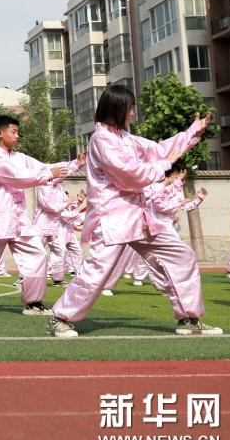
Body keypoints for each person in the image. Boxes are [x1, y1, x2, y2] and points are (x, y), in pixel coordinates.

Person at [47, 85, 220, 337]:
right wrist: (164, 164)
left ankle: (189, 319)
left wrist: (193, 131)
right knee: (97, 271)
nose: (132, 113)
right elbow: (130, 176)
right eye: (129, 108)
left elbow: (160, 150)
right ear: (116, 108)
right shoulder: (101, 140)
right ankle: (60, 318)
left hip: (141, 217)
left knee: (182, 256)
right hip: (113, 218)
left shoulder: (125, 138)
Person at [0, 115, 83, 318]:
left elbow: (44, 168)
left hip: (18, 219)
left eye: (18, 132)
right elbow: (17, 177)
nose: (17, 135)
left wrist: (75, 164)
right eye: (13, 131)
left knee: (37, 254)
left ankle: (33, 302)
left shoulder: (20, 157)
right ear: (1, 133)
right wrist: (48, 174)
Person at [34, 179, 79, 287]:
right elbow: (51, 207)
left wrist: (76, 202)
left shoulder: (60, 188)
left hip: (55, 226)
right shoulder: (43, 188)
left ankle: (58, 280)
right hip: (42, 225)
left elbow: (65, 210)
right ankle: (23, 278)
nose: (64, 176)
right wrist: (67, 203)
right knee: (36, 252)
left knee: (60, 251)